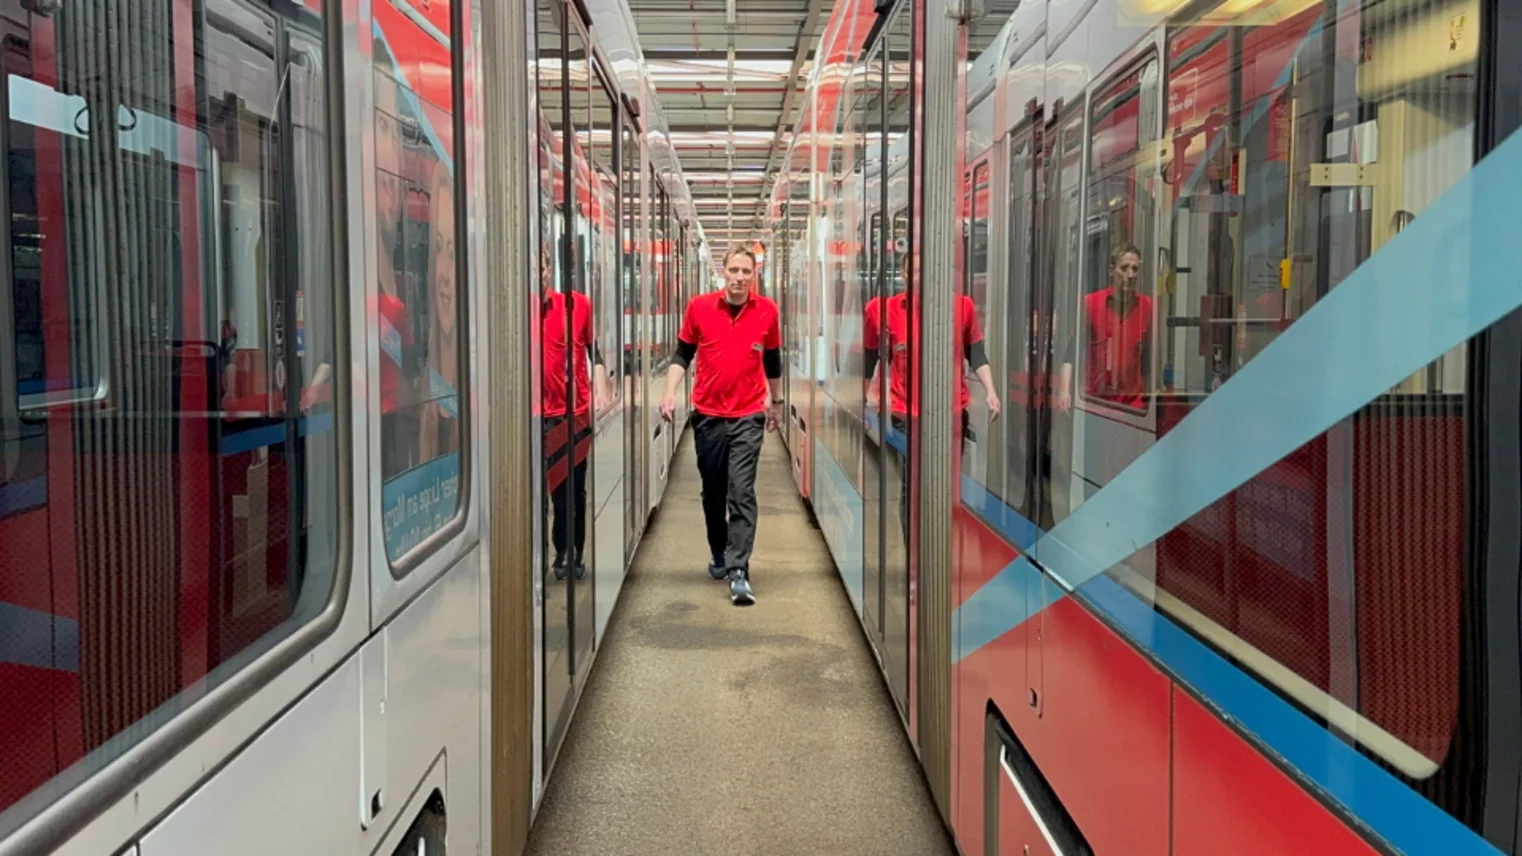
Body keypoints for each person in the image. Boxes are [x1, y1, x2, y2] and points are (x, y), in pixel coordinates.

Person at [659, 244, 782, 606]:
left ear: (753, 274)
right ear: (723, 272)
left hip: (747, 415)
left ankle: (739, 569)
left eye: (747, 272)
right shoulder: (699, 307)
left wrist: (774, 402)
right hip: (709, 415)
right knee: (713, 492)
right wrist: (669, 393)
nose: (740, 278)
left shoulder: (767, 311)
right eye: (734, 271)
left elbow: (772, 360)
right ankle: (719, 551)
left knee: (740, 490)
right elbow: (683, 354)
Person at [863, 250, 1001, 545]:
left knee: (945, 487)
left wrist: (991, 391)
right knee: (912, 488)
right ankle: (915, 555)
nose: (920, 277)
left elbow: (976, 353)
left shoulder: (962, 308)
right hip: (906, 415)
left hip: (951, 415)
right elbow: (872, 354)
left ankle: (938, 549)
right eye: (913, 270)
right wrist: (867, 396)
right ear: (902, 275)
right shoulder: (884, 310)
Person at [541, 241, 612, 581]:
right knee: (551, 491)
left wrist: (600, 385)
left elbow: (592, 350)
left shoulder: (577, 305)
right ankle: (556, 548)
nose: (536, 276)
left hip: (574, 413)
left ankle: (573, 551)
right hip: (534, 416)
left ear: (548, 269)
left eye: (540, 268)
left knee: (574, 489)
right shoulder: (519, 309)